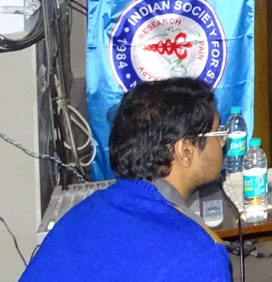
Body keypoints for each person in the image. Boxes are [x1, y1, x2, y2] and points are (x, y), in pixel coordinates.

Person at [23, 78, 231, 281]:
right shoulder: (199, 254)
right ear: (185, 150)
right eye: (217, 131)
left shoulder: (79, 215)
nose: (222, 142)